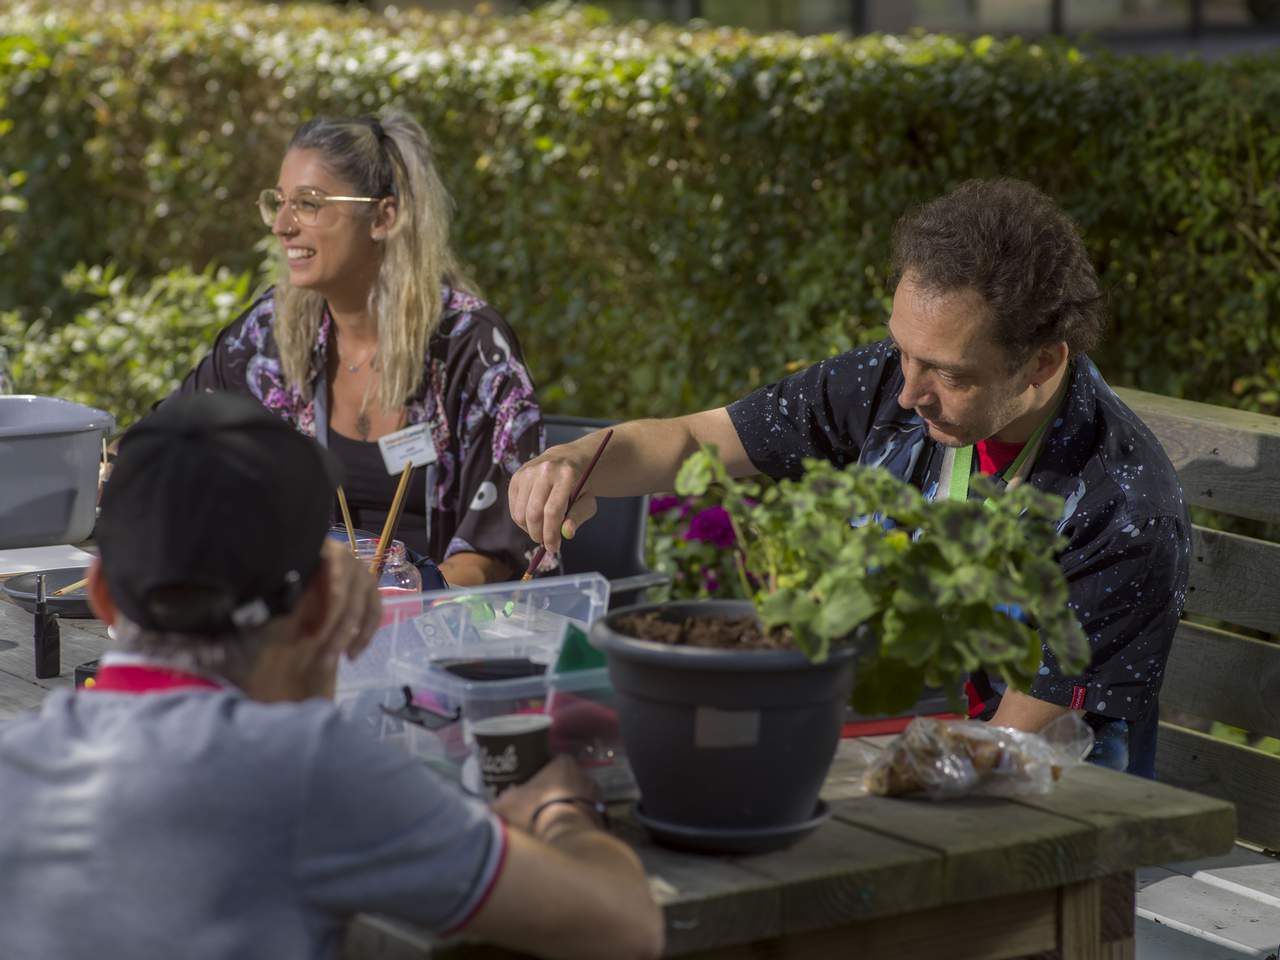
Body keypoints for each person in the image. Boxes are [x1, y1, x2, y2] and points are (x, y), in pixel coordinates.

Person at [510, 178, 1191, 779]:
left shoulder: (1123, 506)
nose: (906, 394)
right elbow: (696, 439)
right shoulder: (888, 384)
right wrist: (580, 457)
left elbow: (1007, 751)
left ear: (1042, 363)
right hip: (890, 743)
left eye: (950, 374)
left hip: (1043, 804)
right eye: (903, 352)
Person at [0, 393, 663, 960]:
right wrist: (561, 806)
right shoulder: (306, 768)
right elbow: (626, 926)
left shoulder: (17, 766)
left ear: (102, 596)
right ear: (322, 604)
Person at [164, 111, 542, 586]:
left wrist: (387, 600)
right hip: (297, 620)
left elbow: (492, 558)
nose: (282, 225)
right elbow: (165, 441)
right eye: (278, 202)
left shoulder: (473, 347)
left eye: (308, 204)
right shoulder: (269, 334)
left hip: (438, 626)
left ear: (383, 216)